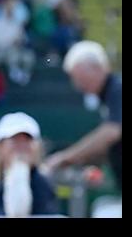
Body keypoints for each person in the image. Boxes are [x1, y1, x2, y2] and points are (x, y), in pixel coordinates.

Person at [42, 40, 121, 191]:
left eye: (79, 77)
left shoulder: (117, 89)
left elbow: (112, 131)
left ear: (96, 68)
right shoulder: (108, 95)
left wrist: (66, 157)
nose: (78, 85)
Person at [0, 111, 60, 218]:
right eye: (14, 140)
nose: (21, 147)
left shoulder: (42, 183)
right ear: (0, 146)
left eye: (27, 140)